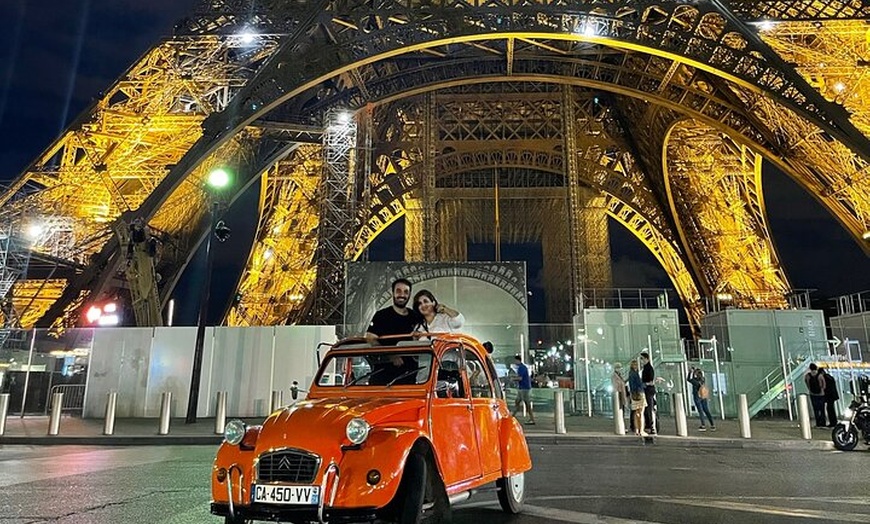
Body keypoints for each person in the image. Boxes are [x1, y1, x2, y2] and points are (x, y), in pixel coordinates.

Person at [365, 278, 419, 345]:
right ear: (393, 293)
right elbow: (370, 338)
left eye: (406, 292)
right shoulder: (381, 315)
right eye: (398, 291)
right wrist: (387, 354)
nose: (402, 295)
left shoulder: (415, 316)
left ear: (409, 294)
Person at [687, 367, 716, 432]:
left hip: (697, 397)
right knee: (706, 410)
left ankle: (703, 425)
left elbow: (688, 379)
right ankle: (712, 425)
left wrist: (690, 372)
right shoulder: (703, 379)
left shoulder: (695, 382)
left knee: (700, 411)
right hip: (703, 396)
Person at [511, 355, 536, 425]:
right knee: (517, 401)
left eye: (515, 360)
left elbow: (520, 378)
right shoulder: (522, 367)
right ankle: (512, 416)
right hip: (522, 388)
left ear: (518, 360)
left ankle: (532, 419)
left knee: (526, 404)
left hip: (524, 388)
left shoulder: (521, 368)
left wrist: (513, 379)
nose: (514, 362)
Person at [640, 351, 658, 434]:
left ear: (646, 359)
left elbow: (651, 381)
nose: (641, 360)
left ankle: (651, 426)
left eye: (642, 359)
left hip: (649, 390)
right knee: (647, 408)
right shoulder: (646, 368)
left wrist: (644, 384)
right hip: (648, 390)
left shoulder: (649, 368)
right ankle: (649, 425)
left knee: (649, 408)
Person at [804, 363, 827, 427]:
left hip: (812, 394)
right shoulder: (820, 375)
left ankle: (818, 423)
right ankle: (823, 422)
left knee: (815, 409)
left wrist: (810, 389)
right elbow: (824, 385)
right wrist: (822, 389)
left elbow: (807, 384)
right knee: (822, 409)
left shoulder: (807, 376)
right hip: (821, 394)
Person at [628, 359, 646, 436]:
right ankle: (641, 430)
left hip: (634, 394)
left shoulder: (630, 373)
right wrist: (643, 385)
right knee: (641, 412)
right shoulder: (635, 374)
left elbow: (631, 385)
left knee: (636, 413)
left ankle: (637, 430)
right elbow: (639, 384)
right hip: (639, 394)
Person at [611, 362, 629, 432]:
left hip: (621, 394)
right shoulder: (614, 376)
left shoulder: (619, 375)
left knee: (622, 411)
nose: (620, 369)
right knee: (620, 411)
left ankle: (623, 426)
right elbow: (616, 385)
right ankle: (621, 426)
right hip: (619, 395)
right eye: (618, 368)